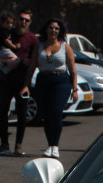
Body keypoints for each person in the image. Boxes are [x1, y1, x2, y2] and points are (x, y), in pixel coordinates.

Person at [28, 18, 78, 159]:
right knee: (46, 114)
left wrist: (75, 90)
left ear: (60, 31)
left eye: (56, 28)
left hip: (61, 81)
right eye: (51, 27)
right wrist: (26, 85)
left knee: (56, 111)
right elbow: (32, 67)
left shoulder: (65, 47)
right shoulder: (39, 46)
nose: (53, 30)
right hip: (43, 80)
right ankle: (50, 145)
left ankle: (55, 146)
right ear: (46, 29)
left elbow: (73, 70)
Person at [0, 9, 38, 156]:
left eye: (27, 20)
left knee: (21, 113)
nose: (23, 22)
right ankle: (3, 144)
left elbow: (34, 63)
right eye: (21, 19)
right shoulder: (7, 34)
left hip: (22, 82)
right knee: (3, 112)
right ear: (17, 19)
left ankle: (18, 145)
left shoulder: (32, 39)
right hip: (6, 81)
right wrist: (8, 61)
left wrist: (27, 83)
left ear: (30, 22)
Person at [0, 12, 22, 92]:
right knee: (15, 60)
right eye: (7, 23)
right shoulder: (3, 31)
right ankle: (4, 73)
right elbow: (7, 41)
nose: (10, 25)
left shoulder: (9, 30)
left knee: (3, 65)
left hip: (3, 50)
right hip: (3, 49)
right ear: (2, 23)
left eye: (11, 23)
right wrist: (14, 46)